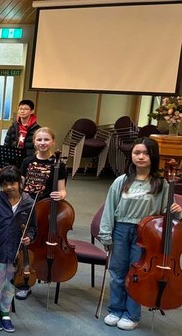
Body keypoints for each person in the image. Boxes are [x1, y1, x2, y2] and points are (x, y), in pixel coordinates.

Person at [98, 137, 181, 331]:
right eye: (137, 153)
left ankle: (132, 313)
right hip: (121, 230)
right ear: (131, 156)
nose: (141, 157)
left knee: (137, 274)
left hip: (146, 236)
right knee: (117, 272)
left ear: (153, 156)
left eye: (145, 153)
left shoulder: (161, 184)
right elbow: (110, 209)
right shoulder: (121, 181)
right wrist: (106, 234)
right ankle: (115, 309)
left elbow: (166, 215)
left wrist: (176, 210)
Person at [16, 127, 67, 300]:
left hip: (47, 208)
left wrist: (60, 195)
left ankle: (43, 272)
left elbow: (62, 190)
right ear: (34, 142)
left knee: (41, 241)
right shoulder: (27, 161)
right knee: (25, 244)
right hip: (27, 207)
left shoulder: (59, 164)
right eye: (39, 140)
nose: (43, 143)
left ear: (53, 142)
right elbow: (21, 186)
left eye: (46, 140)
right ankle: (24, 280)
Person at [0, 165, 36, 333]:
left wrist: (30, 236)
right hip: (0, 249)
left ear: (20, 183)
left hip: (19, 251)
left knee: (11, 283)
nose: (8, 187)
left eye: (12, 183)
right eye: (5, 184)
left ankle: (5, 312)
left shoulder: (29, 203)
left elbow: (32, 227)